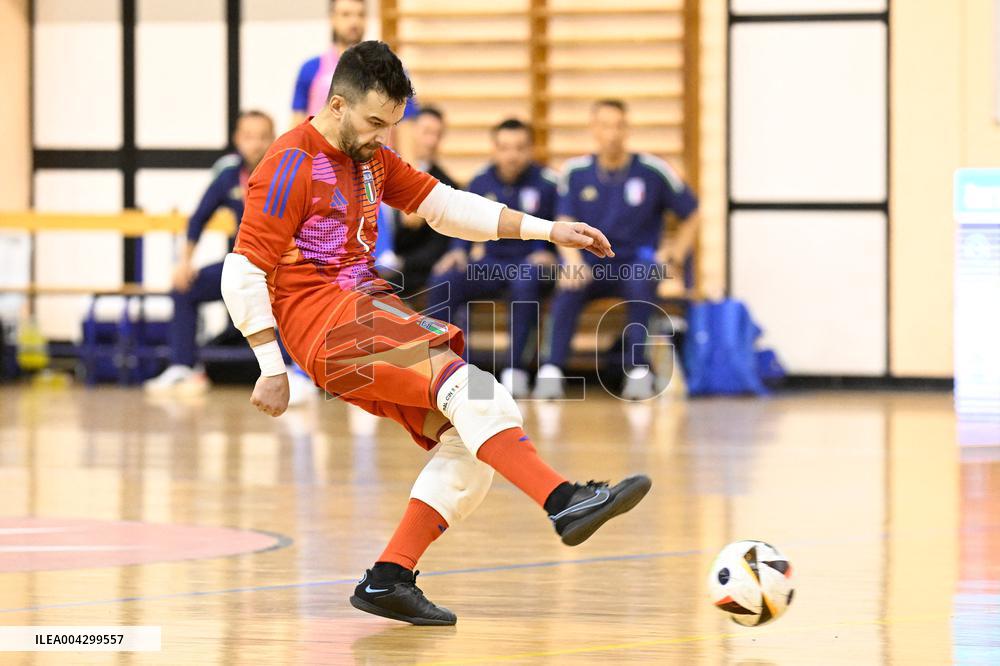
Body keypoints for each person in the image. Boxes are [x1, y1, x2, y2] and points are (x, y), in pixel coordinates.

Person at [221, 42, 651, 626]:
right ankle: (562, 500)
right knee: (474, 394)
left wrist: (549, 230)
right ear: (338, 103)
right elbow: (241, 268)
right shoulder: (290, 161)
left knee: (473, 433)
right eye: (375, 122)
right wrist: (270, 364)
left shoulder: (370, 154)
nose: (382, 136)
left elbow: (445, 206)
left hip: (362, 312)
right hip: (327, 322)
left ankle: (390, 577)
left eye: (392, 125)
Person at [533, 99, 700, 401]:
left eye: (619, 125)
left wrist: (674, 252)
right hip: (590, 263)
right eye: (606, 126)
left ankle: (637, 371)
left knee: (641, 280)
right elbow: (564, 221)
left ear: (627, 129)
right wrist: (571, 261)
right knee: (568, 287)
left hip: (636, 262)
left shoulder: (653, 170)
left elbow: (692, 214)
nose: (613, 133)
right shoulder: (575, 172)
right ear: (594, 130)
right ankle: (552, 370)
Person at [143, 111, 314, 403]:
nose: (255, 144)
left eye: (262, 137)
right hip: (241, 266)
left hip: (282, 264)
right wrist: (184, 262)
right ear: (237, 139)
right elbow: (198, 219)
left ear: (273, 139)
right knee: (185, 287)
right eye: (248, 137)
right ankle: (183, 366)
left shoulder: (289, 172)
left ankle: (294, 372)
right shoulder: (228, 176)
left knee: (288, 297)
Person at [428, 118, 557, 397]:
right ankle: (456, 369)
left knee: (526, 280)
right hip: (491, 265)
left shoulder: (549, 184)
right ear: (494, 149)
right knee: (445, 279)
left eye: (520, 148)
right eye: (505, 148)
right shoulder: (480, 181)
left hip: (531, 266)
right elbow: (463, 220)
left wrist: (550, 254)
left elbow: (562, 226)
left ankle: (515, 370)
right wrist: (457, 251)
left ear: (531, 149)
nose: (512, 155)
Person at [290, 0, 417, 159]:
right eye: (346, 14)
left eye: (360, 15)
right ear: (332, 18)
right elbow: (297, 124)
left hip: (373, 165)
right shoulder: (311, 69)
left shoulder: (390, 72)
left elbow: (405, 128)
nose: (354, 21)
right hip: (324, 165)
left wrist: (411, 168)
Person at [390, 106, 459, 297]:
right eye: (426, 132)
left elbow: (437, 245)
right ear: (409, 132)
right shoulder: (382, 170)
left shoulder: (446, 185)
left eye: (438, 134)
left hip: (408, 271)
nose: (431, 141)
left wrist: (400, 262)